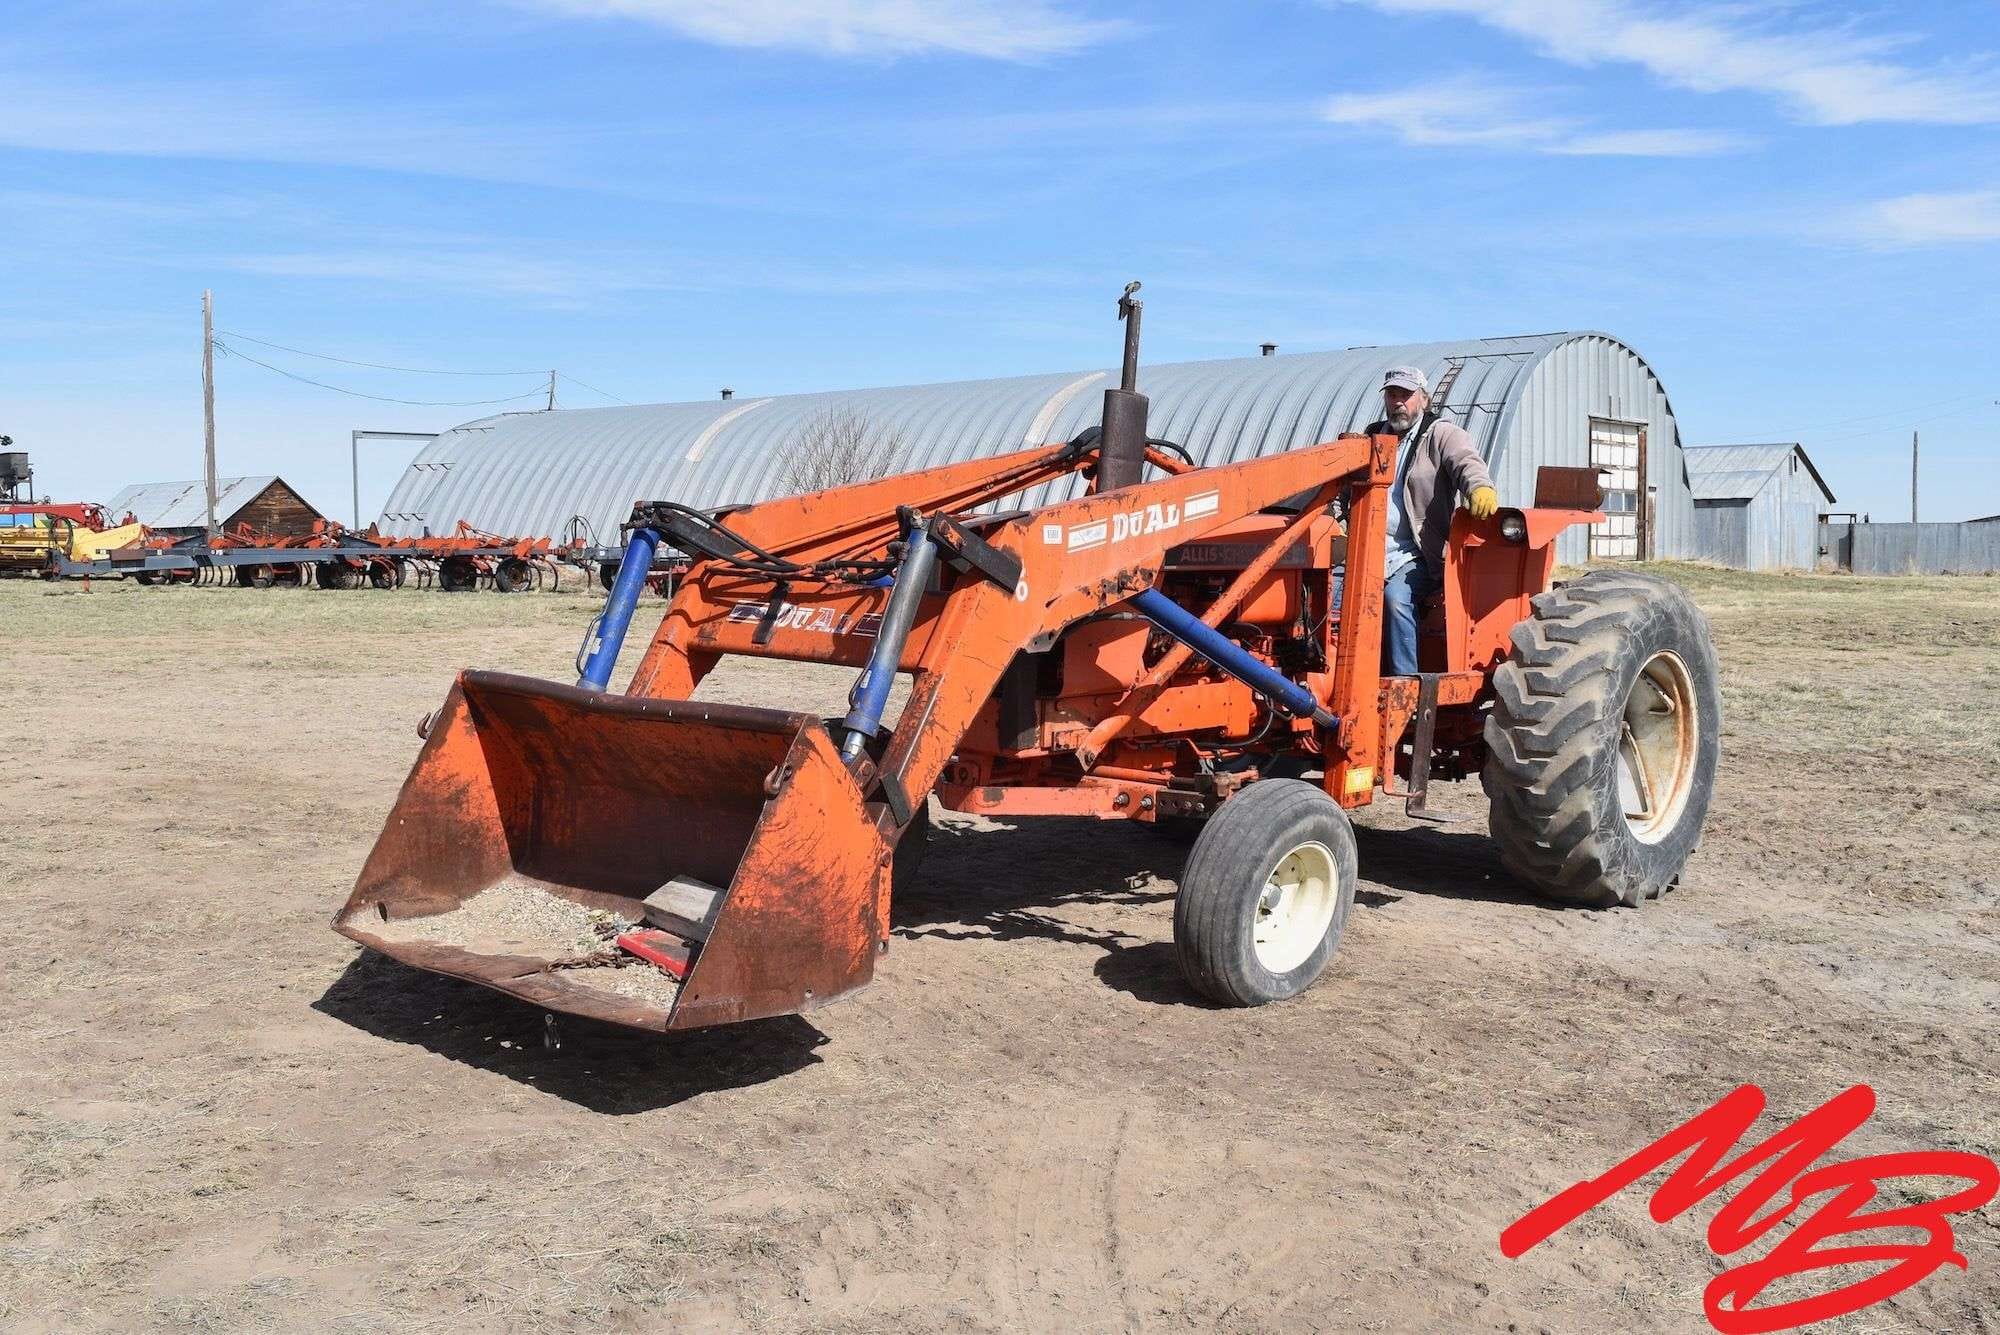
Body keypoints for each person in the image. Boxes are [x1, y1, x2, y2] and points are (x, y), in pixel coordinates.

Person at [1367, 366, 1499, 676]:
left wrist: (1479, 487)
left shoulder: (1441, 434)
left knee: (1396, 600)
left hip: (1416, 553)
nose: (1398, 401)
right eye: (1392, 394)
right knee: (1328, 600)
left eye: (1406, 395)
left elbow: (1466, 461)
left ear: (1423, 399)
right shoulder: (1371, 437)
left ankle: (1405, 688)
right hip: (1368, 549)